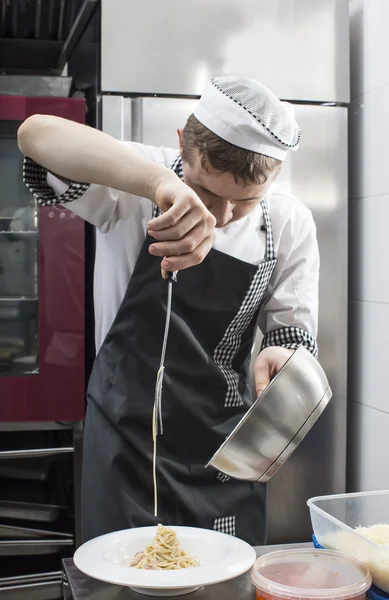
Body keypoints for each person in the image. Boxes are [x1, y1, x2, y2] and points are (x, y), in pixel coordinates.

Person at [18, 76, 319, 546]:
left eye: (244, 203)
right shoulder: (133, 180)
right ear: (182, 143)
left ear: (274, 176)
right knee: (125, 581)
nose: (219, 218)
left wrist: (287, 360)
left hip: (223, 451)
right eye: (205, 193)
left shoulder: (286, 223)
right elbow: (35, 135)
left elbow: (291, 331)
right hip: (125, 441)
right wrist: (160, 184)